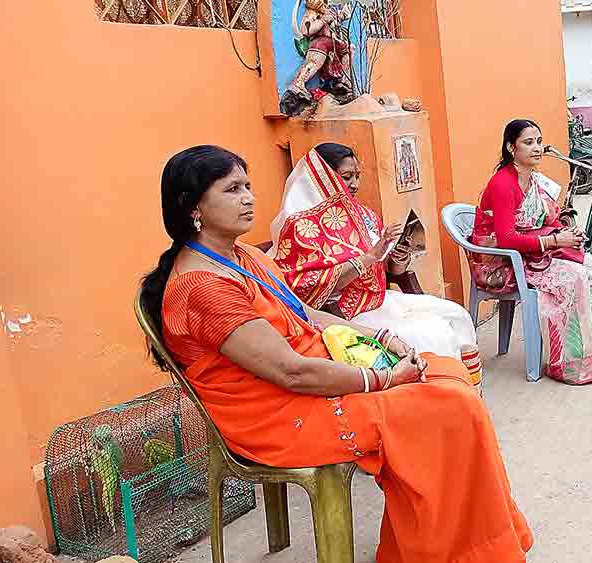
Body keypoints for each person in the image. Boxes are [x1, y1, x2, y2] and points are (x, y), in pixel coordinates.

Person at [141, 145, 532, 562]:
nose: (249, 197)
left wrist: (379, 337)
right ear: (192, 206)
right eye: (233, 189)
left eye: (249, 186)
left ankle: (468, 543)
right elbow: (289, 372)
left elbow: (306, 313)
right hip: (274, 412)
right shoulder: (203, 287)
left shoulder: (244, 255)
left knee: (448, 373)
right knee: (450, 407)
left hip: (309, 375)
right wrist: (381, 379)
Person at [269, 143, 476, 359]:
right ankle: (443, 389)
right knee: (435, 335)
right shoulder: (299, 225)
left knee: (457, 315)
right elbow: (309, 288)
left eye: (357, 176)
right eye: (347, 177)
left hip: (379, 300)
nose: (355, 184)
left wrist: (398, 255)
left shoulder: (362, 213)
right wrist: (368, 258)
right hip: (344, 314)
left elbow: (391, 270)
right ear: (322, 177)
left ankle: (467, 389)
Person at [471, 120, 592, 385]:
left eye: (539, 141)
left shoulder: (535, 181)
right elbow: (507, 238)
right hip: (502, 262)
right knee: (573, 278)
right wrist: (556, 242)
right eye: (528, 142)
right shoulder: (502, 184)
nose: (537, 148)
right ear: (511, 148)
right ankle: (570, 365)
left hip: (531, 254)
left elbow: (546, 221)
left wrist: (569, 236)